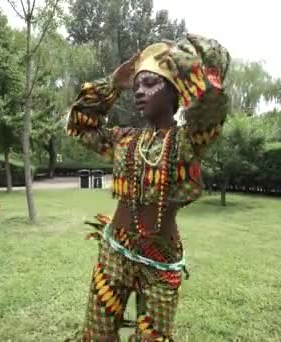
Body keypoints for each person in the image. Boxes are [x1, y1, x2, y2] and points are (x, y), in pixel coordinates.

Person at [66, 34, 230, 341]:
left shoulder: (189, 139)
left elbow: (212, 100)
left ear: (173, 93)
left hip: (162, 259)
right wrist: (113, 83)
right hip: (114, 252)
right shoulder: (123, 139)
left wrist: (183, 54)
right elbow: (81, 124)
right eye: (137, 85)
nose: (139, 91)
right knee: (97, 334)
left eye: (150, 84)